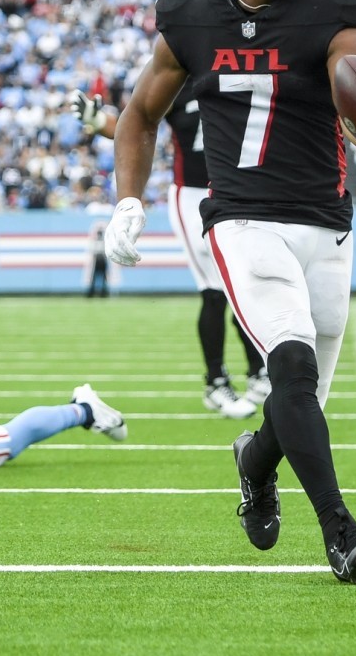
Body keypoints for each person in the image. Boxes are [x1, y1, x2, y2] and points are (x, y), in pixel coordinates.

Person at [100, 0, 356, 583]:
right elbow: (139, 114)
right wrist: (129, 197)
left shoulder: (339, 5)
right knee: (292, 363)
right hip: (243, 219)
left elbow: (354, 74)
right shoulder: (189, 11)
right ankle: (341, 531)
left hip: (327, 222)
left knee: (296, 396)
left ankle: (255, 460)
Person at [72, 90, 262, 419]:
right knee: (215, 289)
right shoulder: (181, 77)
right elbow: (136, 122)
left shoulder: (239, 65)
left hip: (240, 189)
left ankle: (259, 370)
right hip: (192, 195)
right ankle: (216, 381)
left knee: (246, 285)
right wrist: (96, 119)